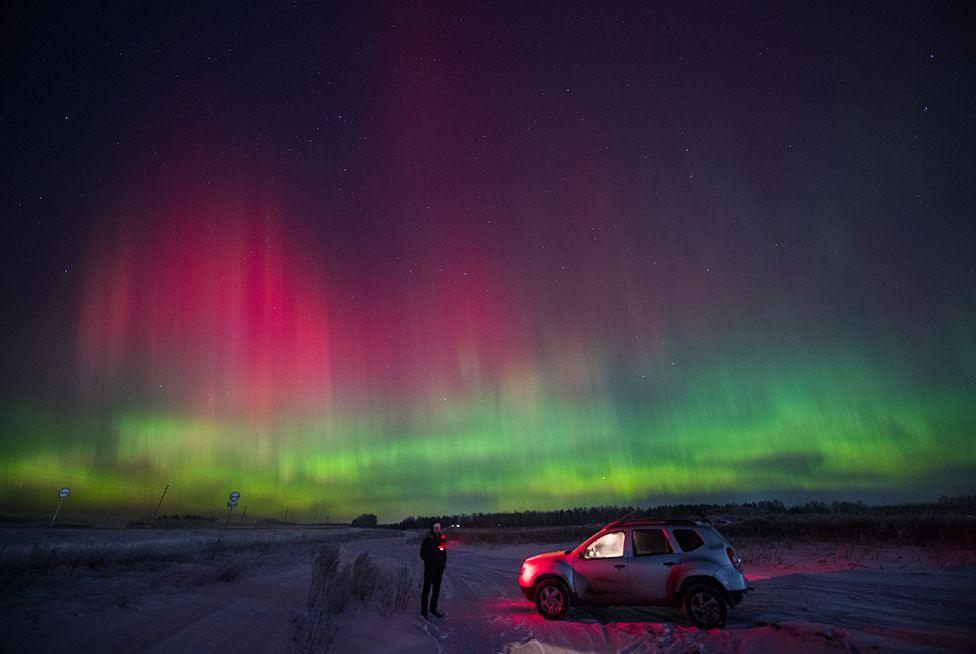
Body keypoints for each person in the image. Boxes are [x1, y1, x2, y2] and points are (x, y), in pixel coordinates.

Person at [419, 521, 447, 618]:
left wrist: (442, 566)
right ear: (432, 528)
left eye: (439, 527)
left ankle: (433, 610)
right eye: (435, 527)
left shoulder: (442, 539)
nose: (437, 528)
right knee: (426, 591)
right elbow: (422, 554)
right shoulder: (427, 540)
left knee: (436, 591)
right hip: (430, 569)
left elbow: (444, 554)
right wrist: (431, 560)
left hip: (438, 570)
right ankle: (424, 612)